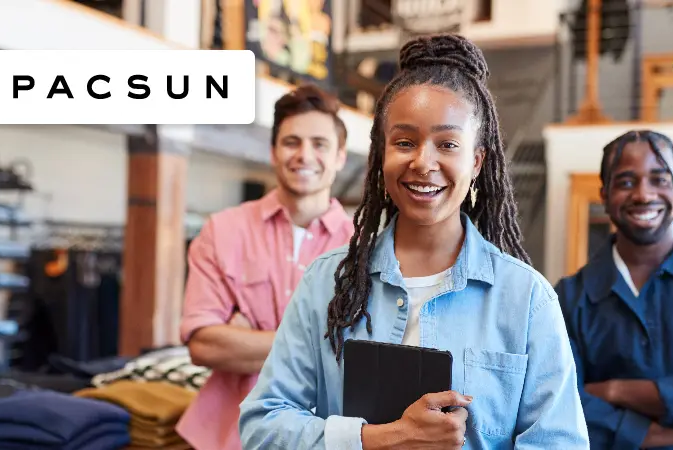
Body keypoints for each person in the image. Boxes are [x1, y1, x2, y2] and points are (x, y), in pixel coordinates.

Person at [239, 34, 589, 449]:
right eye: (404, 142)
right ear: (381, 153)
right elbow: (262, 427)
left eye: (448, 144)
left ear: (476, 160)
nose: (423, 162)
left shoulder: (527, 299)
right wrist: (380, 439)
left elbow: (560, 443)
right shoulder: (328, 282)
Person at [176, 84, 355, 450]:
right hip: (229, 435)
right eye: (292, 142)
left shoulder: (363, 247)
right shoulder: (222, 231)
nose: (304, 155)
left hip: (326, 436)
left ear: (339, 156)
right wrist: (317, 343)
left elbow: (362, 355)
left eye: (319, 144)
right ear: (273, 152)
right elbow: (204, 345)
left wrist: (245, 338)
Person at [555, 130, 673, 449]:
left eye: (660, 180)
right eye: (625, 182)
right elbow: (559, 402)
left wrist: (613, 391)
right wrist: (653, 431)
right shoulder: (569, 298)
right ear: (604, 194)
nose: (643, 194)